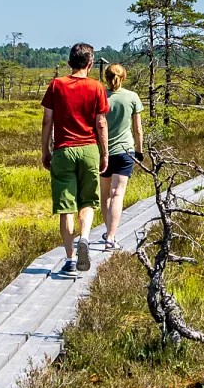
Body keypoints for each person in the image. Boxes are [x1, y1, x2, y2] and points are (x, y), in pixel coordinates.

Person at [40, 43, 109, 275]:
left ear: (69, 63)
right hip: (89, 149)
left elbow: (47, 120)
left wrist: (45, 150)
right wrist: (105, 153)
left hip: (63, 151)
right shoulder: (97, 87)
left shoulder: (57, 85)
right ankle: (85, 238)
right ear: (90, 64)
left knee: (66, 207)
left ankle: (70, 260)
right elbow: (101, 123)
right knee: (87, 201)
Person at [98, 62, 145, 249]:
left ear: (106, 78)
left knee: (105, 195)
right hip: (125, 151)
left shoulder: (100, 96)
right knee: (117, 194)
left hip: (103, 152)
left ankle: (108, 231)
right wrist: (139, 151)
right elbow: (138, 128)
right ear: (124, 77)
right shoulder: (132, 97)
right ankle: (110, 237)